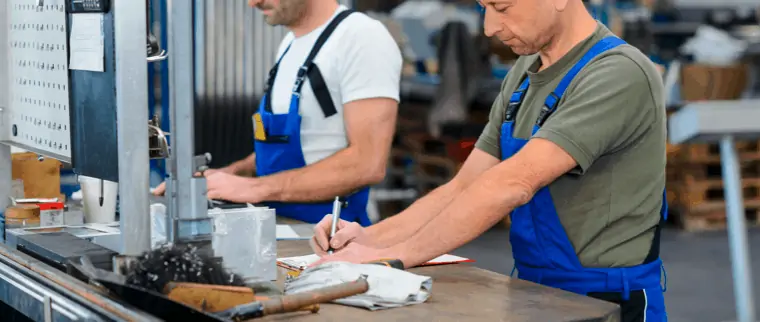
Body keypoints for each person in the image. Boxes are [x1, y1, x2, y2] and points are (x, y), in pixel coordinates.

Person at [311, 0, 668, 321]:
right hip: (535, 293)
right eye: (485, 8)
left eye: (503, 6)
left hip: (609, 303)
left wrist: (392, 259)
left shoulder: (618, 73)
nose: (489, 28)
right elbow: (464, 186)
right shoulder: (524, 74)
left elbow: (513, 183)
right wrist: (368, 240)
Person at [154, 0, 402, 226]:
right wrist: (231, 175)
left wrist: (256, 188)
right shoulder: (290, 45)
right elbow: (299, 144)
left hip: (332, 234)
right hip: (281, 226)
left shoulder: (361, 38)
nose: (253, 3)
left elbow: (367, 164)